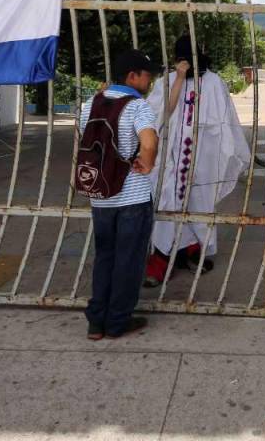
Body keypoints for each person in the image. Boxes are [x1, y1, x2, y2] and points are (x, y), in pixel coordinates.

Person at [144, 34, 251, 287]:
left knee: (199, 201)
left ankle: (193, 249)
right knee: (166, 200)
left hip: (203, 155)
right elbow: (155, 115)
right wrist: (179, 79)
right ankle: (161, 257)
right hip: (169, 157)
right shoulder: (167, 81)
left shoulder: (213, 82)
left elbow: (225, 121)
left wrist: (226, 151)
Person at [78, 48, 162, 340]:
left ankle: (96, 320)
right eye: (147, 76)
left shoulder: (91, 103)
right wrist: (147, 163)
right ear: (132, 76)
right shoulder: (138, 106)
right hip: (132, 198)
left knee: (105, 256)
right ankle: (117, 321)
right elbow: (149, 142)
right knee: (129, 260)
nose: (149, 82)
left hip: (100, 196)